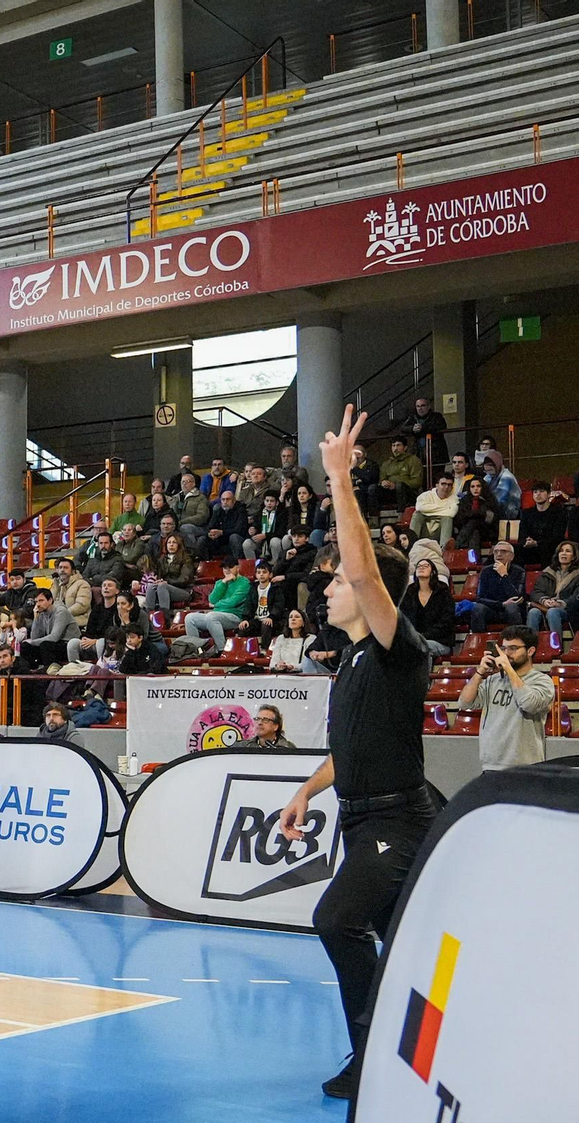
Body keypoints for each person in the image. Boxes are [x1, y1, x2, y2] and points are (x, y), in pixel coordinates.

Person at [278, 405, 434, 1104]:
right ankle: (400, 1053)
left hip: (399, 822)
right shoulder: (350, 663)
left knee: (336, 919)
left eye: (338, 580)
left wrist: (339, 478)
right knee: (401, 940)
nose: (331, 587)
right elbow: (351, 749)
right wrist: (306, 791)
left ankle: (374, 1055)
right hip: (359, 817)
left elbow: (368, 575)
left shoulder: (400, 651)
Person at [459, 625, 554, 771]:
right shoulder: (493, 680)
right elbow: (465, 702)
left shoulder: (542, 681)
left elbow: (529, 704)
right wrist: (480, 671)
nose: (506, 653)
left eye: (513, 648)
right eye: (504, 648)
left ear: (530, 651)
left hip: (526, 766)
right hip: (491, 764)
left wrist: (508, 669)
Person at [185, 558, 250, 650]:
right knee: (190, 618)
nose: (227, 570)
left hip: (234, 616)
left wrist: (216, 605)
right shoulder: (220, 582)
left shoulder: (244, 583)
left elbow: (233, 602)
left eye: (230, 567)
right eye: (225, 568)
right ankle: (196, 650)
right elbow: (212, 599)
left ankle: (221, 649)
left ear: (238, 568)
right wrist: (223, 582)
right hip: (215, 616)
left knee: (211, 616)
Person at [398, 558, 455, 658]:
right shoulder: (409, 593)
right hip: (414, 640)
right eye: (419, 566)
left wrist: (422, 637)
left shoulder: (443, 592)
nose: (421, 568)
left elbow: (446, 623)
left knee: (420, 647)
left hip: (440, 641)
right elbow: (404, 619)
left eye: (425, 566)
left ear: (433, 572)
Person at [468, 541, 527, 631]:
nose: (499, 554)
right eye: (496, 552)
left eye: (503, 551)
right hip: (492, 609)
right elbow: (479, 598)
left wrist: (504, 576)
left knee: (511, 606)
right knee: (478, 608)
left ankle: (516, 637)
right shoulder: (486, 571)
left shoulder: (519, 572)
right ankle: (479, 638)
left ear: (512, 556)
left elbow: (517, 598)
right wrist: (501, 604)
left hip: (512, 611)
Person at [526, 540, 579, 637]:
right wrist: (544, 600)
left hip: (569, 610)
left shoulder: (577, 575)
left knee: (553, 612)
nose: (563, 553)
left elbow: (576, 598)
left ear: (574, 557)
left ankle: (556, 644)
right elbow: (536, 592)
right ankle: (531, 644)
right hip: (546, 606)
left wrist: (560, 603)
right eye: (561, 551)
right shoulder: (547, 573)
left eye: (568, 551)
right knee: (533, 612)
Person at [399, 396, 449, 478]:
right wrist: (412, 428)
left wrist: (423, 428)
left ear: (428, 406)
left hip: (436, 454)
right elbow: (403, 428)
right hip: (419, 453)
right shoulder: (413, 417)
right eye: (418, 406)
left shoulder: (436, 416)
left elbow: (441, 426)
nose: (420, 408)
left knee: (437, 478)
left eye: (423, 406)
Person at [374, 436, 423, 513]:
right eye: (393, 446)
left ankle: (401, 515)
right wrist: (383, 482)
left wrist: (396, 485)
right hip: (390, 492)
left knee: (400, 486)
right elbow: (381, 479)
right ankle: (373, 517)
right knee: (373, 488)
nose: (395, 448)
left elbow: (417, 482)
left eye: (398, 445)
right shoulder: (387, 463)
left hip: (408, 492)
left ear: (405, 447)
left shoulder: (413, 460)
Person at [406, 475, 457, 546]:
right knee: (417, 514)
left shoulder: (454, 499)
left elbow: (451, 513)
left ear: (452, 487)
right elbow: (419, 508)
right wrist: (444, 508)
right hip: (424, 530)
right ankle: (411, 545)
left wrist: (428, 512)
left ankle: (444, 549)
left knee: (447, 519)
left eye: (449, 485)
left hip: (439, 532)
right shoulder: (425, 495)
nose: (446, 487)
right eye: (443, 484)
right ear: (437, 485)